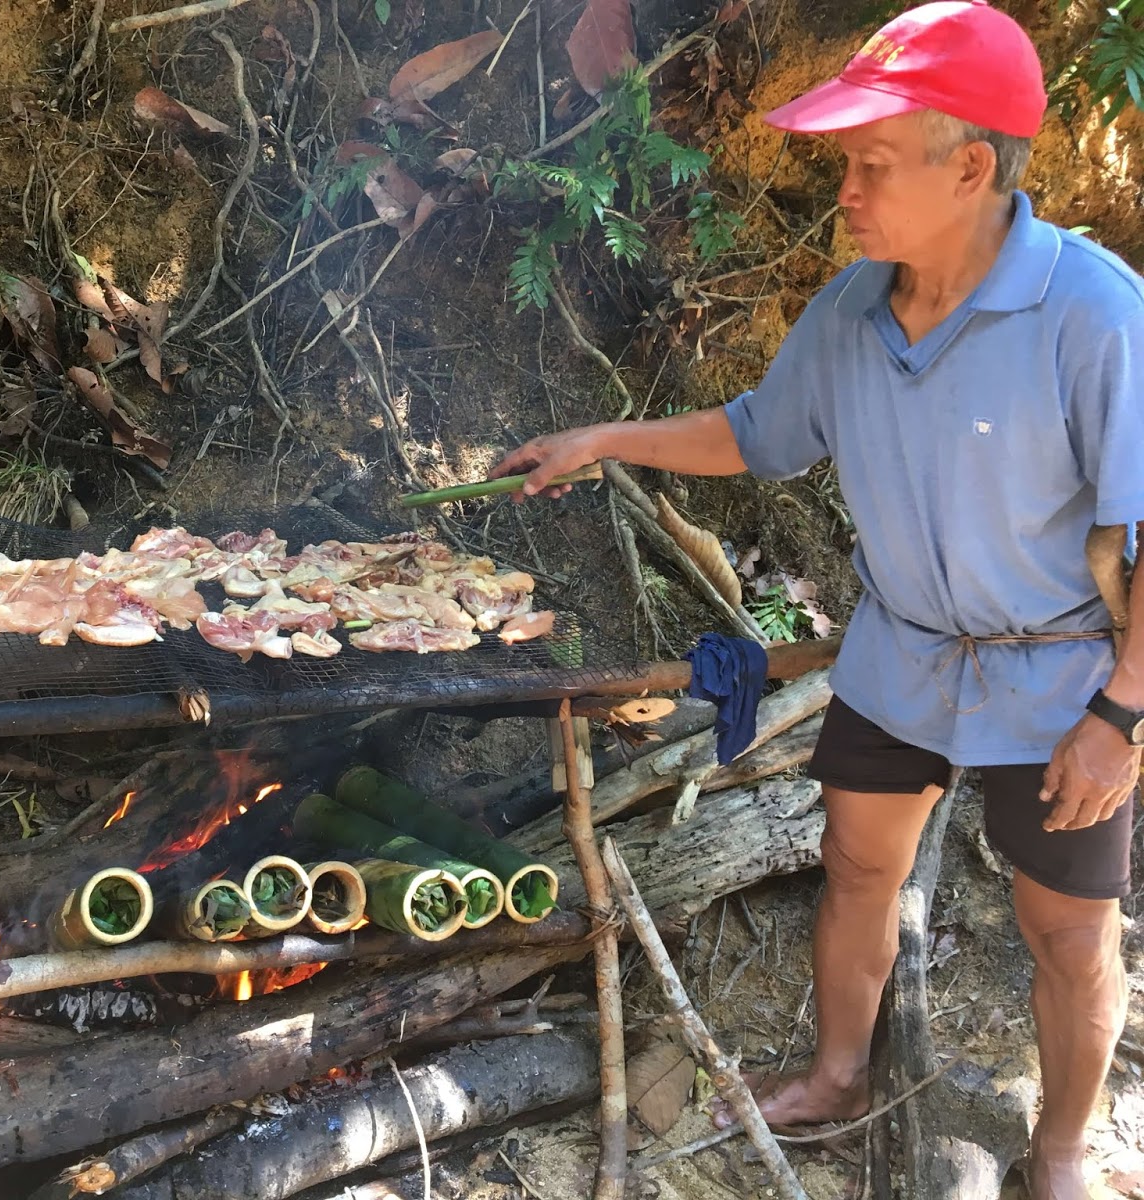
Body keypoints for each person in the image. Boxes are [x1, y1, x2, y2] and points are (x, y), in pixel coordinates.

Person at [490, 3, 1144, 1196]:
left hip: (1059, 678)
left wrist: (1124, 715)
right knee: (854, 868)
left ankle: (1055, 1154)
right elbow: (755, 436)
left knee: (1065, 930)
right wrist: (605, 439)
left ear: (972, 167)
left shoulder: (1094, 314)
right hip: (903, 655)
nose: (843, 189)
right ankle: (839, 1075)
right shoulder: (852, 310)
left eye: (868, 163)